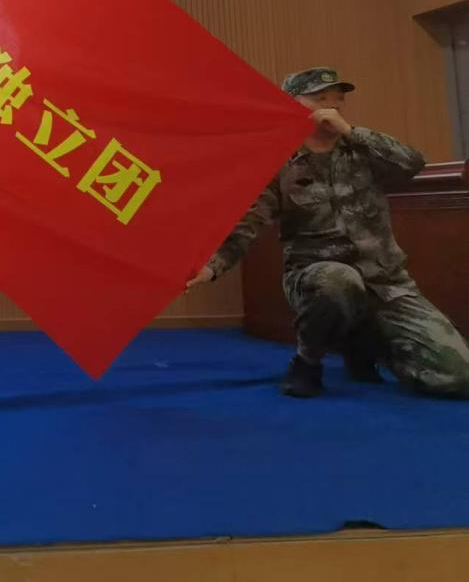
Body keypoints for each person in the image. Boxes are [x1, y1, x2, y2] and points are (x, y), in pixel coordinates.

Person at [188, 67, 469, 398]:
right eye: (320, 99)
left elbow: (412, 163)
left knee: (457, 377)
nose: (332, 106)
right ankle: (307, 362)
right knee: (339, 280)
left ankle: (370, 342)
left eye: (337, 99)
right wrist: (212, 267)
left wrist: (351, 132)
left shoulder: (362, 150)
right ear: (292, 105)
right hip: (316, 278)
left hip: (386, 283)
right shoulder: (279, 165)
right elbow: (247, 226)